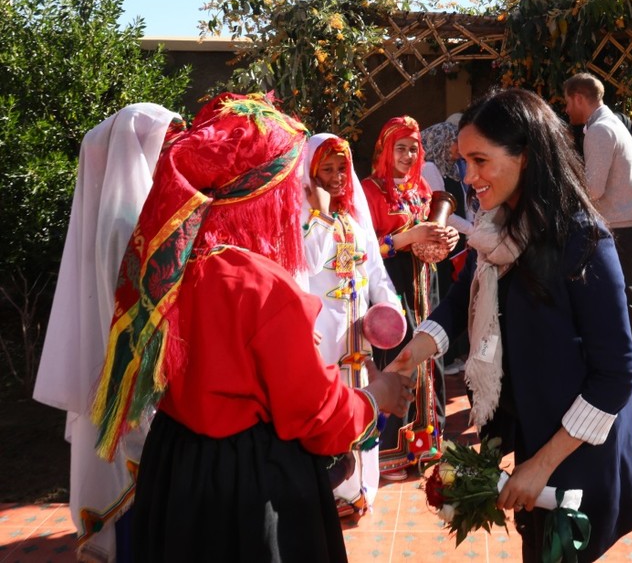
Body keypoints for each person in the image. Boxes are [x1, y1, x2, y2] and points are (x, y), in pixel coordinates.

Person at [90, 92, 416, 563]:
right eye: (288, 186)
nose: (296, 197)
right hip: (248, 485)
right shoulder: (261, 286)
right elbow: (316, 419)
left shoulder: (168, 265)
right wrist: (376, 396)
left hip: (177, 466)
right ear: (257, 194)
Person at [387, 88, 632, 561]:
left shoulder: (583, 241)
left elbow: (617, 375)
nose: (469, 177)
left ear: (525, 156)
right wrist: (406, 357)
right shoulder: (502, 230)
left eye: (481, 161)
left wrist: (540, 466)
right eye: (464, 162)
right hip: (536, 434)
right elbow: (465, 302)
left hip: (576, 452)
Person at [33, 103, 186, 562]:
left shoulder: (110, 217)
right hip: (132, 376)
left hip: (119, 370)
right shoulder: (129, 221)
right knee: (140, 490)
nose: (172, 154)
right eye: (165, 145)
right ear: (138, 151)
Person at [299, 132, 403, 517]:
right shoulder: (303, 224)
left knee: (364, 402)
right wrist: (319, 215)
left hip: (358, 339)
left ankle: (360, 487)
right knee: (330, 409)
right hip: (323, 339)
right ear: (310, 174)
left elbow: (376, 272)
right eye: (327, 169)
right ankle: (333, 489)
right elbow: (305, 268)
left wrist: (390, 309)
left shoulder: (354, 220)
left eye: (342, 167)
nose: (339, 175)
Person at [361, 115, 459, 481]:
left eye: (413, 148)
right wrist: (407, 236)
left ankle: (427, 448)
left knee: (429, 358)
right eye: (400, 148)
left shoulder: (421, 189)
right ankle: (390, 454)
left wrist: (446, 240)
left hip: (426, 288)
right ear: (385, 151)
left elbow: (433, 239)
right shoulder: (369, 192)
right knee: (400, 360)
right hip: (393, 288)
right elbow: (366, 250)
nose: (407, 155)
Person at [563, 72, 632, 405]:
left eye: (567, 102)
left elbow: (593, 190)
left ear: (578, 97)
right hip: (626, 227)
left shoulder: (600, 131)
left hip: (621, 230)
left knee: (624, 304)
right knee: (620, 303)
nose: (566, 109)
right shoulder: (609, 124)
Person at [420, 120, 472, 376]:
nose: (457, 149)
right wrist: (473, 230)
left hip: (456, 243)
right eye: (454, 143)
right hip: (443, 245)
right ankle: (445, 357)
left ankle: (450, 354)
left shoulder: (449, 168)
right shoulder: (430, 168)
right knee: (445, 296)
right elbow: (442, 213)